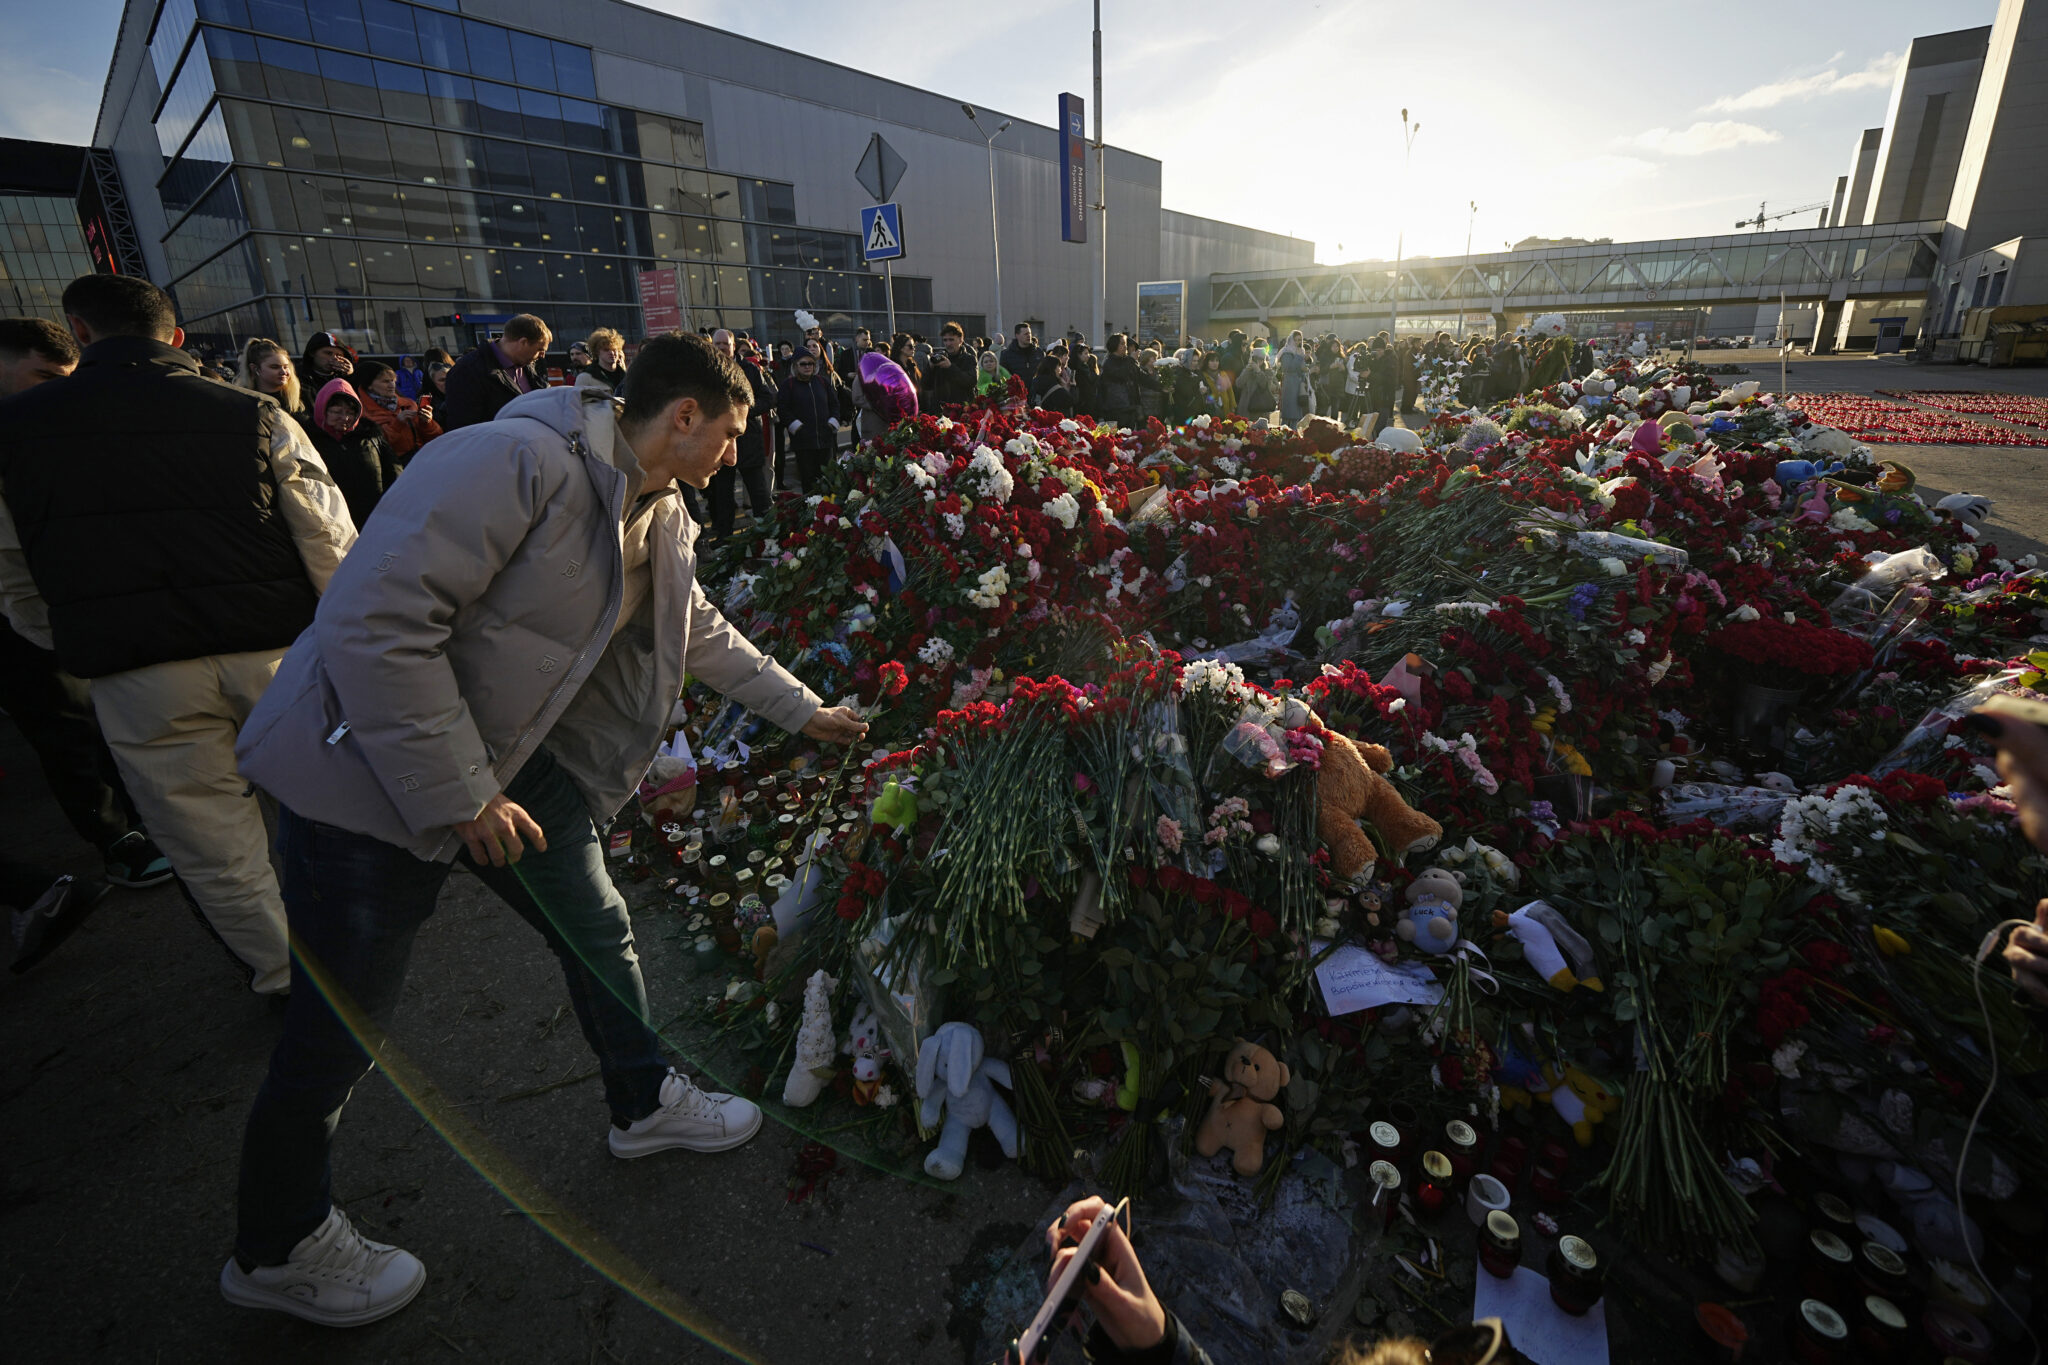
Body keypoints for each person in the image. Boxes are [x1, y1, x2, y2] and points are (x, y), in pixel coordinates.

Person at [223, 332, 870, 1327]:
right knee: (341, 1025)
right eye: (731, 434)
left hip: (505, 760)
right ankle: (276, 1244)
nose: (736, 455)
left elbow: (694, 629)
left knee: (594, 922)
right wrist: (457, 794)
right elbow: (377, 623)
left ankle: (642, 1103)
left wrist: (805, 709)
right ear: (683, 416)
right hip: (362, 770)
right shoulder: (509, 461)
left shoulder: (659, 508)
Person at [0, 275, 357, 998]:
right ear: (178, 336)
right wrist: (341, 635)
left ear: (81, 331)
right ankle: (356, 940)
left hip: (137, 671)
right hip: (275, 651)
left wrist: (81, 638)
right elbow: (329, 542)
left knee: (211, 841)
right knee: (325, 804)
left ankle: (289, 975)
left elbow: (15, 579)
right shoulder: (254, 413)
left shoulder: (14, 433)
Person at [0, 318, 173, 897]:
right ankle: (116, 840)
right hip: (21, 612)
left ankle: (144, 816)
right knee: (61, 717)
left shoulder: (52, 424)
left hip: (78, 595)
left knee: (106, 711)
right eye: (43, 375)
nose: (56, 388)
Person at [705, 327, 777, 541]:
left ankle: (767, 536)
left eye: (725, 344)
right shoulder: (707, 371)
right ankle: (725, 537)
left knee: (758, 493)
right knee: (722, 493)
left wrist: (742, 414)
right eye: (717, 344)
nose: (721, 348)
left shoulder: (750, 370)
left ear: (733, 346)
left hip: (747, 439)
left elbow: (769, 397)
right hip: (719, 441)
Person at [305, 380, 401, 528]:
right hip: (328, 521)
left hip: (373, 520)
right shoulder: (307, 439)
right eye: (337, 412)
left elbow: (394, 473)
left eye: (350, 413)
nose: (345, 418)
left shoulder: (370, 436)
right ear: (322, 410)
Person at [438, 315, 551, 430]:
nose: (542, 356)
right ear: (523, 342)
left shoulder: (528, 364)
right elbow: (464, 429)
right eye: (540, 350)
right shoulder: (467, 371)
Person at [349, 360, 441, 462]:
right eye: (385, 381)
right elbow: (375, 445)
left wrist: (427, 423)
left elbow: (435, 437)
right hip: (392, 466)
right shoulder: (361, 411)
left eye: (393, 380)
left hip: (421, 460)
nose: (391, 385)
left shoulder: (408, 404)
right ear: (369, 385)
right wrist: (398, 423)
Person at [777, 347, 840, 494]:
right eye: (803, 364)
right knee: (808, 481)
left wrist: (833, 421)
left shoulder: (822, 382)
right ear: (795, 366)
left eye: (810, 364)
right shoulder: (789, 385)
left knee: (828, 479)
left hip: (825, 439)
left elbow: (834, 404)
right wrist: (796, 426)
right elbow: (783, 409)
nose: (807, 367)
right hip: (804, 442)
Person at [237, 337, 305, 420]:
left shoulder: (303, 395)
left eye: (286, 367)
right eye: (275, 367)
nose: (283, 372)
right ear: (255, 368)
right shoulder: (245, 403)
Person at [925, 321, 977, 408]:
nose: (948, 344)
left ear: (961, 340)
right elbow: (926, 385)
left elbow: (971, 382)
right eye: (945, 340)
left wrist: (950, 367)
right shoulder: (939, 358)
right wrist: (930, 368)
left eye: (951, 339)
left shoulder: (969, 359)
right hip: (940, 411)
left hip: (961, 410)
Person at [1000, 323, 1044, 390]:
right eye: (1026, 334)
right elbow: (1003, 377)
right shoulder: (1006, 355)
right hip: (1017, 395)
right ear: (1017, 335)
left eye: (1029, 333)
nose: (1029, 336)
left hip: (1036, 394)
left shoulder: (1039, 352)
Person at [584, 327, 628, 393]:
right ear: (597, 352)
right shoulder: (586, 376)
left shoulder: (626, 376)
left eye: (614, 350)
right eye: (606, 350)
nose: (612, 353)